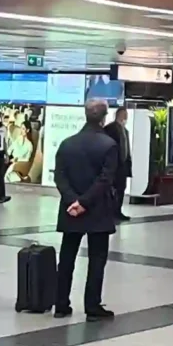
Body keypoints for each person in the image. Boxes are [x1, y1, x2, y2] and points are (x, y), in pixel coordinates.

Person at [51, 101, 123, 321]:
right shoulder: (109, 145)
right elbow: (105, 179)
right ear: (104, 118)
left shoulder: (67, 144)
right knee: (97, 259)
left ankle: (61, 304)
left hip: (70, 210)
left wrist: (73, 200)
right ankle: (92, 306)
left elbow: (59, 176)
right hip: (97, 210)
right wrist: (85, 202)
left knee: (67, 257)